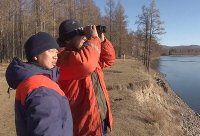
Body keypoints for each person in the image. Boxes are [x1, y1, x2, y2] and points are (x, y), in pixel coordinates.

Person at [5, 32, 73, 136]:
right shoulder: (41, 88)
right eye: (50, 51)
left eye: (56, 52)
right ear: (36, 55)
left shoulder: (30, 80)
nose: (55, 56)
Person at [57, 19, 115, 136]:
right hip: (83, 126)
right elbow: (84, 64)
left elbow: (109, 60)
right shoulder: (61, 57)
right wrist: (94, 39)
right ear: (67, 39)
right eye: (81, 35)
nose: (85, 37)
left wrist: (102, 41)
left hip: (99, 120)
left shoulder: (88, 53)